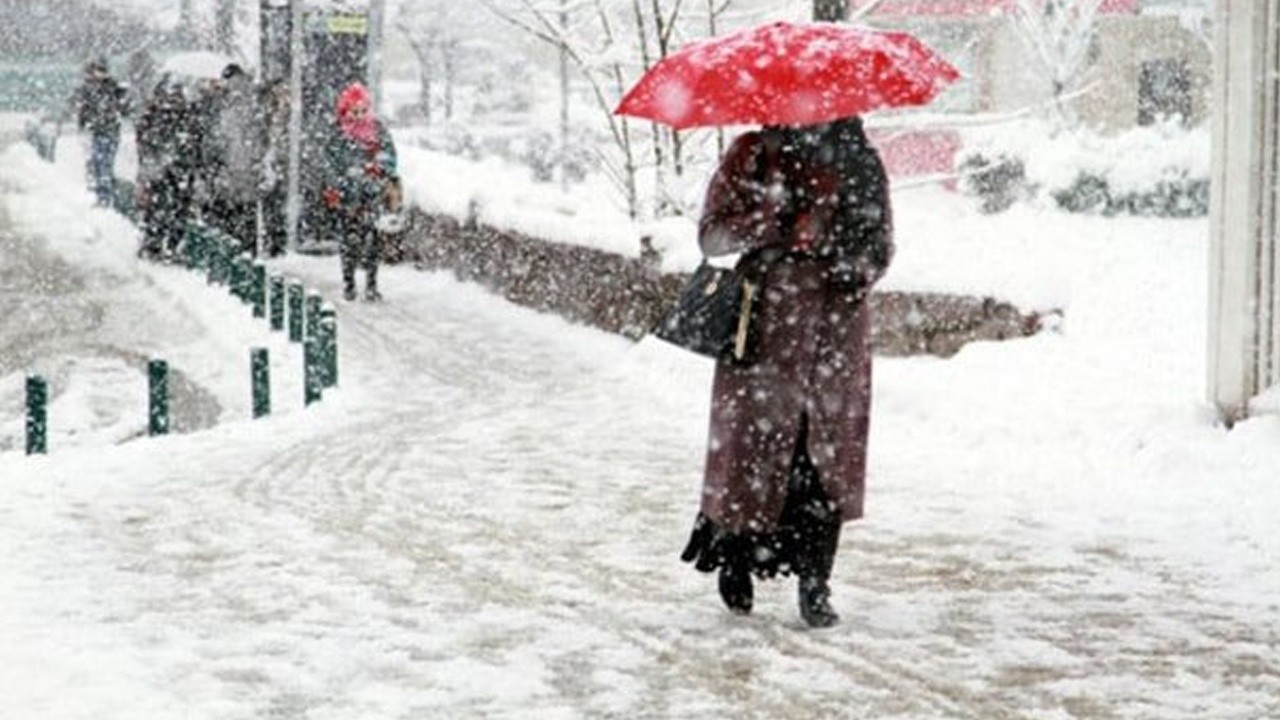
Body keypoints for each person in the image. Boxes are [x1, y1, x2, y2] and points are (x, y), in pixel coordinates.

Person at [679, 116, 894, 628]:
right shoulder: (752, 154)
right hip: (763, 328)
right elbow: (711, 238)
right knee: (749, 451)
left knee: (823, 458)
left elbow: (881, 246)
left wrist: (848, 263)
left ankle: (815, 581)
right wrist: (772, 221)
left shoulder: (860, 160)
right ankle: (735, 557)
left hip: (834, 331)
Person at [322, 81, 398, 302]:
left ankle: (372, 284)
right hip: (347, 197)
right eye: (355, 111)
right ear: (346, 111)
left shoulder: (378, 130)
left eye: (364, 110)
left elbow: (390, 156)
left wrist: (379, 168)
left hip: (372, 194)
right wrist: (341, 182)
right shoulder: (338, 135)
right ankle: (349, 283)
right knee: (348, 240)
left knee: (372, 239)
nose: (360, 115)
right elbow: (329, 164)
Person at [205, 63, 266, 256]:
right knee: (246, 222)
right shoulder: (253, 103)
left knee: (226, 223)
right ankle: (247, 260)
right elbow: (260, 139)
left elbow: (213, 140)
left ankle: (230, 260)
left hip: (229, 173)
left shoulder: (222, 105)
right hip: (246, 174)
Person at [135, 75, 198, 260]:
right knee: (164, 208)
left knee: (169, 208)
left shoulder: (182, 115)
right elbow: (144, 142)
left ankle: (163, 244)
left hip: (173, 169)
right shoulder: (159, 116)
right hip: (165, 169)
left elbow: (145, 142)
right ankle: (161, 244)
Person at [71, 57, 130, 207]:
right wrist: (83, 123)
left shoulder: (110, 88)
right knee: (98, 163)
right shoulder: (90, 89)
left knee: (104, 163)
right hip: (97, 131)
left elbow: (123, 107)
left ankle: (106, 195)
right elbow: (83, 110)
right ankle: (103, 194)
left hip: (108, 130)